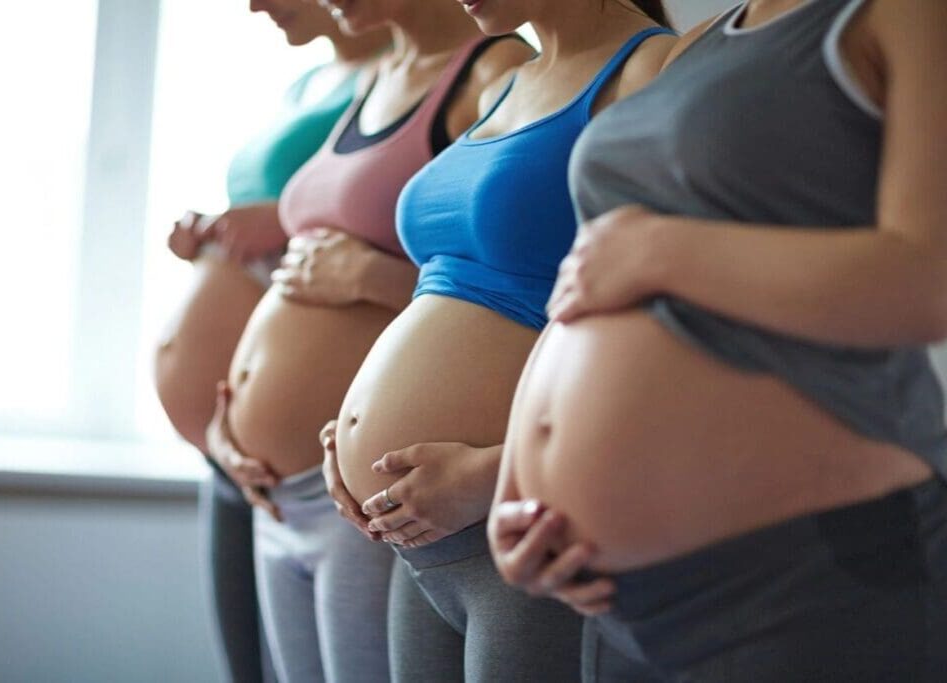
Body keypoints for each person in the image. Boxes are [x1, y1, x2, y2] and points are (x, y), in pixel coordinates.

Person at [489, 1, 947, 681]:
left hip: (805, 577)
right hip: (613, 597)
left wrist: (659, 250)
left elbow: (927, 283)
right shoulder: (695, 47)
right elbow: (587, 281)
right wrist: (514, 490)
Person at [321, 1, 676, 680]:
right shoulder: (503, 85)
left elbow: (672, 341)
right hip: (420, 546)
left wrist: (494, 473)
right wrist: (353, 429)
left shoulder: (653, 71)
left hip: (527, 528)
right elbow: (444, 297)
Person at [204, 0, 534, 680]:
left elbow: (508, 278)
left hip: (371, 493)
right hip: (282, 488)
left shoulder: (496, 70)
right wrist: (230, 421)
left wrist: (370, 275)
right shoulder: (376, 77)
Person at [153, 1, 387, 680]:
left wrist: (280, 221)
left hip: (312, 458)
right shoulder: (305, 83)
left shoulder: (400, 78)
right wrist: (211, 234)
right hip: (230, 445)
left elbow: (366, 221)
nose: (256, 4)